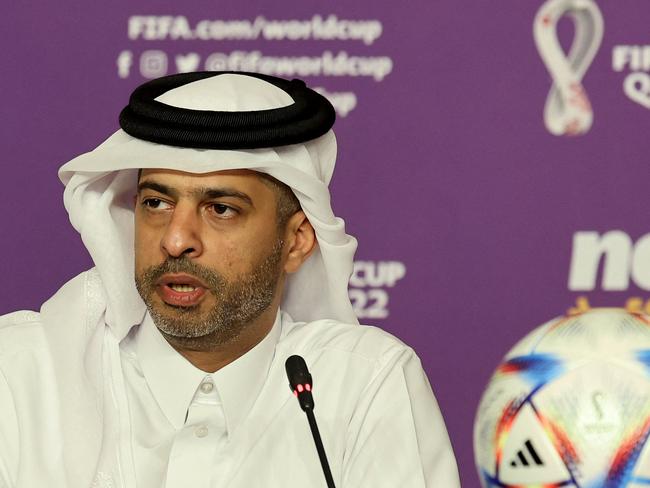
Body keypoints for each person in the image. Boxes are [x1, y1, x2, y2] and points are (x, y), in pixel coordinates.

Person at [0, 71, 460, 487]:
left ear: (297, 241)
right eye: (156, 203)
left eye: (221, 209)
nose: (176, 240)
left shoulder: (362, 386)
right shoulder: (20, 375)